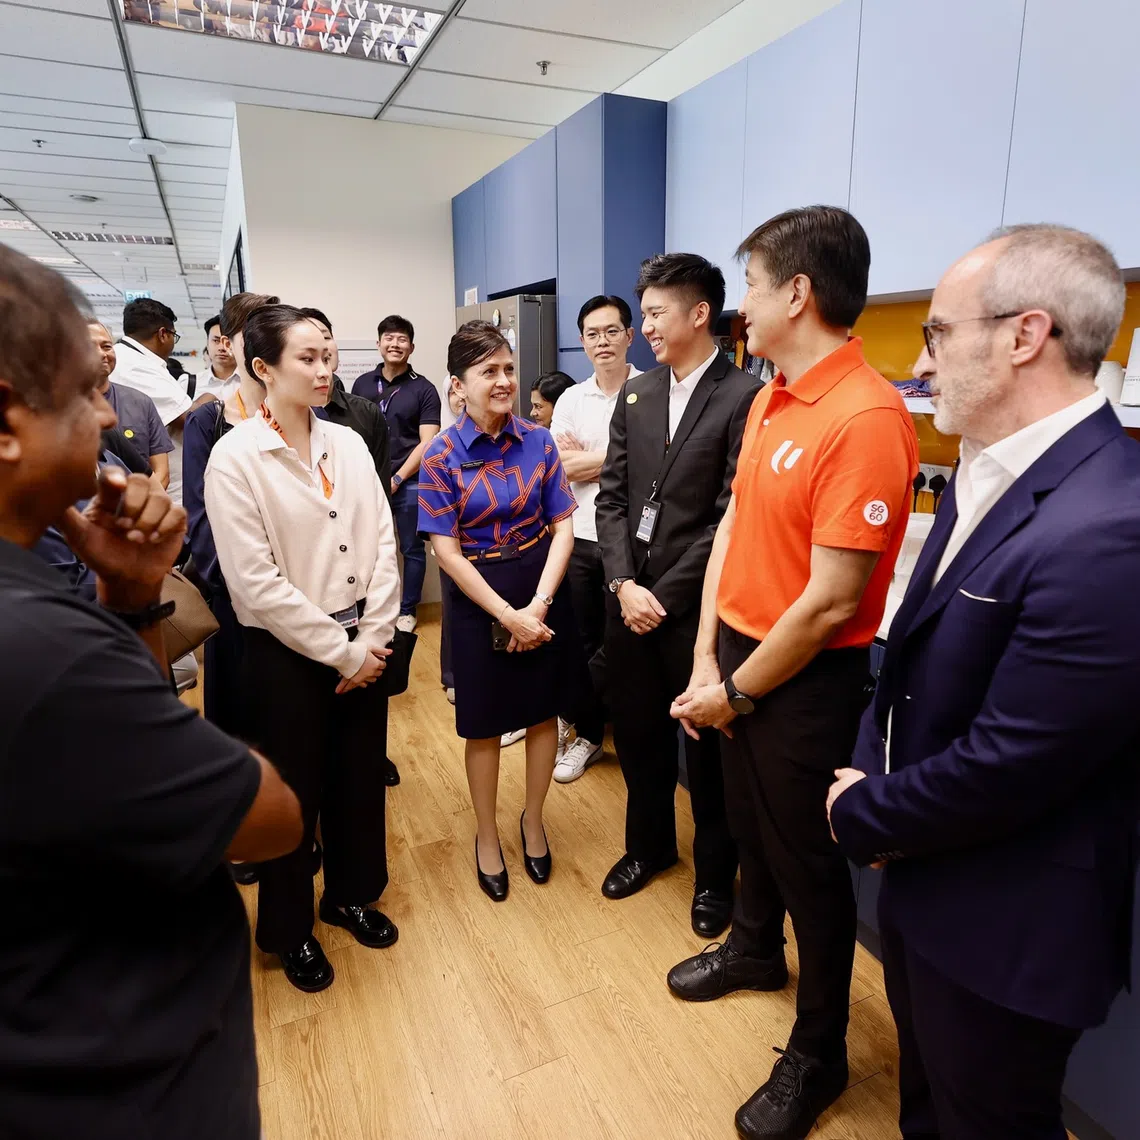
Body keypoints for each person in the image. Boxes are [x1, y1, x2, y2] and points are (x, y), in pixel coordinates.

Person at [828, 224, 1140, 1140]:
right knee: (929, 1110)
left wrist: (862, 811)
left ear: (1024, 335)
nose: (921, 362)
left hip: (1008, 929)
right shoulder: (985, 471)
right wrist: (869, 774)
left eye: (936, 333)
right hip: (927, 883)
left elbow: (1017, 761)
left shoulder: (1109, 524)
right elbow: (907, 665)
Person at [0, 243, 302, 1140]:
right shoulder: (42, 652)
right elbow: (270, 818)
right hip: (120, 1090)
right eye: (84, 393)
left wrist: (130, 599)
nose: (109, 415)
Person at [665, 207, 918, 1140]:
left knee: (808, 860)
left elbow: (828, 602)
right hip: (736, 651)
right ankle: (752, 947)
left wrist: (735, 693)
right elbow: (733, 529)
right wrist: (707, 654)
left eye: (753, 286)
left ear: (798, 293)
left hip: (804, 676)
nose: (744, 305)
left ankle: (820, 1050)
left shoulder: (867, 415)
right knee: (748, 827)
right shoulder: (775, 392)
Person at [205, 305, 401, 993]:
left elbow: (382, 541)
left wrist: (373, 637)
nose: (324, 371)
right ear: (263, 368)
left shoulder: (346, 442)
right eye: (307, 359)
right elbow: (254, 585)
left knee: (358, 781)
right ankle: (290, 931)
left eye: (328, 356)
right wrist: (344, 655)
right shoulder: (236, 457)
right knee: (294, 795)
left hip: (364, 639)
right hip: (286, 654)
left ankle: (351, 896)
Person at [594, 254, 757, 938]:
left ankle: (715, 878)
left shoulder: (744, 396)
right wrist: (623, 583)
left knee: (709, 758)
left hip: (695, 615)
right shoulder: (637, 394)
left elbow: (729, 518)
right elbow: (611, 498)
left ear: (699, 313)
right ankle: (649, 847)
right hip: (629, 603)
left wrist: (659, 593)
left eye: (657, 314)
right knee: (638, 739)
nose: (648, 328)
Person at [418, 321, 577, 902]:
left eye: (509, 368)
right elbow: (446, 552)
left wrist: (538, 604)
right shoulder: (441, 455)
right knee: (484, 725)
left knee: (541, 715)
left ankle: (533, 820)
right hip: (477, 594)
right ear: (459, 385)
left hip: (540, 585)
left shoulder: (539, 440)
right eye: (489, 371)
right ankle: (487, 834)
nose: (505, 380)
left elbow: (563, 525)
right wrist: (508, 616)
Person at [549, 294, 643, 783]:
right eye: (592, 334)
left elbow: (655, 468)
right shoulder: (571, 399)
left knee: (623, 643)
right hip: (580, 536)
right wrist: (619, 459)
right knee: (582, 639)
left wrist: (592, 459)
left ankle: (623, 732)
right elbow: (560, 467)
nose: (602, 341)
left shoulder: (653, 391)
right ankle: (586, 734)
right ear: (583, 342)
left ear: (630, 335)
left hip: (631, 542)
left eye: (611, 331)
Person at [184, 292, 280, 749]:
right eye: (253, 333)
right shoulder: (209, 421)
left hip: (300, 590)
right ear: (228, 343)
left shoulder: (304, 417)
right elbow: (199, 515)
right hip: (234, 594)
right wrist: (240, 583)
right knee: (239, 718)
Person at [352, 314, 441, 633]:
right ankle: (371, 609)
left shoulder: (424, 389)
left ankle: (407, 610)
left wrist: (398, 478)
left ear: (411, 347)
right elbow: (353, 433)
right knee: (365, 548)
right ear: (378, 344)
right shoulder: (362, 384)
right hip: (366, 480)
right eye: (389, 338)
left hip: (410, 482)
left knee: (411, 550)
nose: (395, 344)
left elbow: (427, 443)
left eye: (402, 339)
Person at [111, 297, 193, 504]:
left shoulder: (132, 360)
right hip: (157, 489)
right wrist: (212, 400)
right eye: (174, 336)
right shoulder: (135, 366)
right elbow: (187, 419)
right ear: (163, 334)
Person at [89, 319, 174, 488]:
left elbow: (162, 472)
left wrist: (139, 501)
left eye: (107, 346)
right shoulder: (59, 410)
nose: (102, 354)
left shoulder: (140, 402)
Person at [198, 313, 240, 403]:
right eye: (216, 341)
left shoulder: (254, 383)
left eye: (228, 342)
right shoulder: (191, 384)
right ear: (207, 344)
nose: (222, 348)